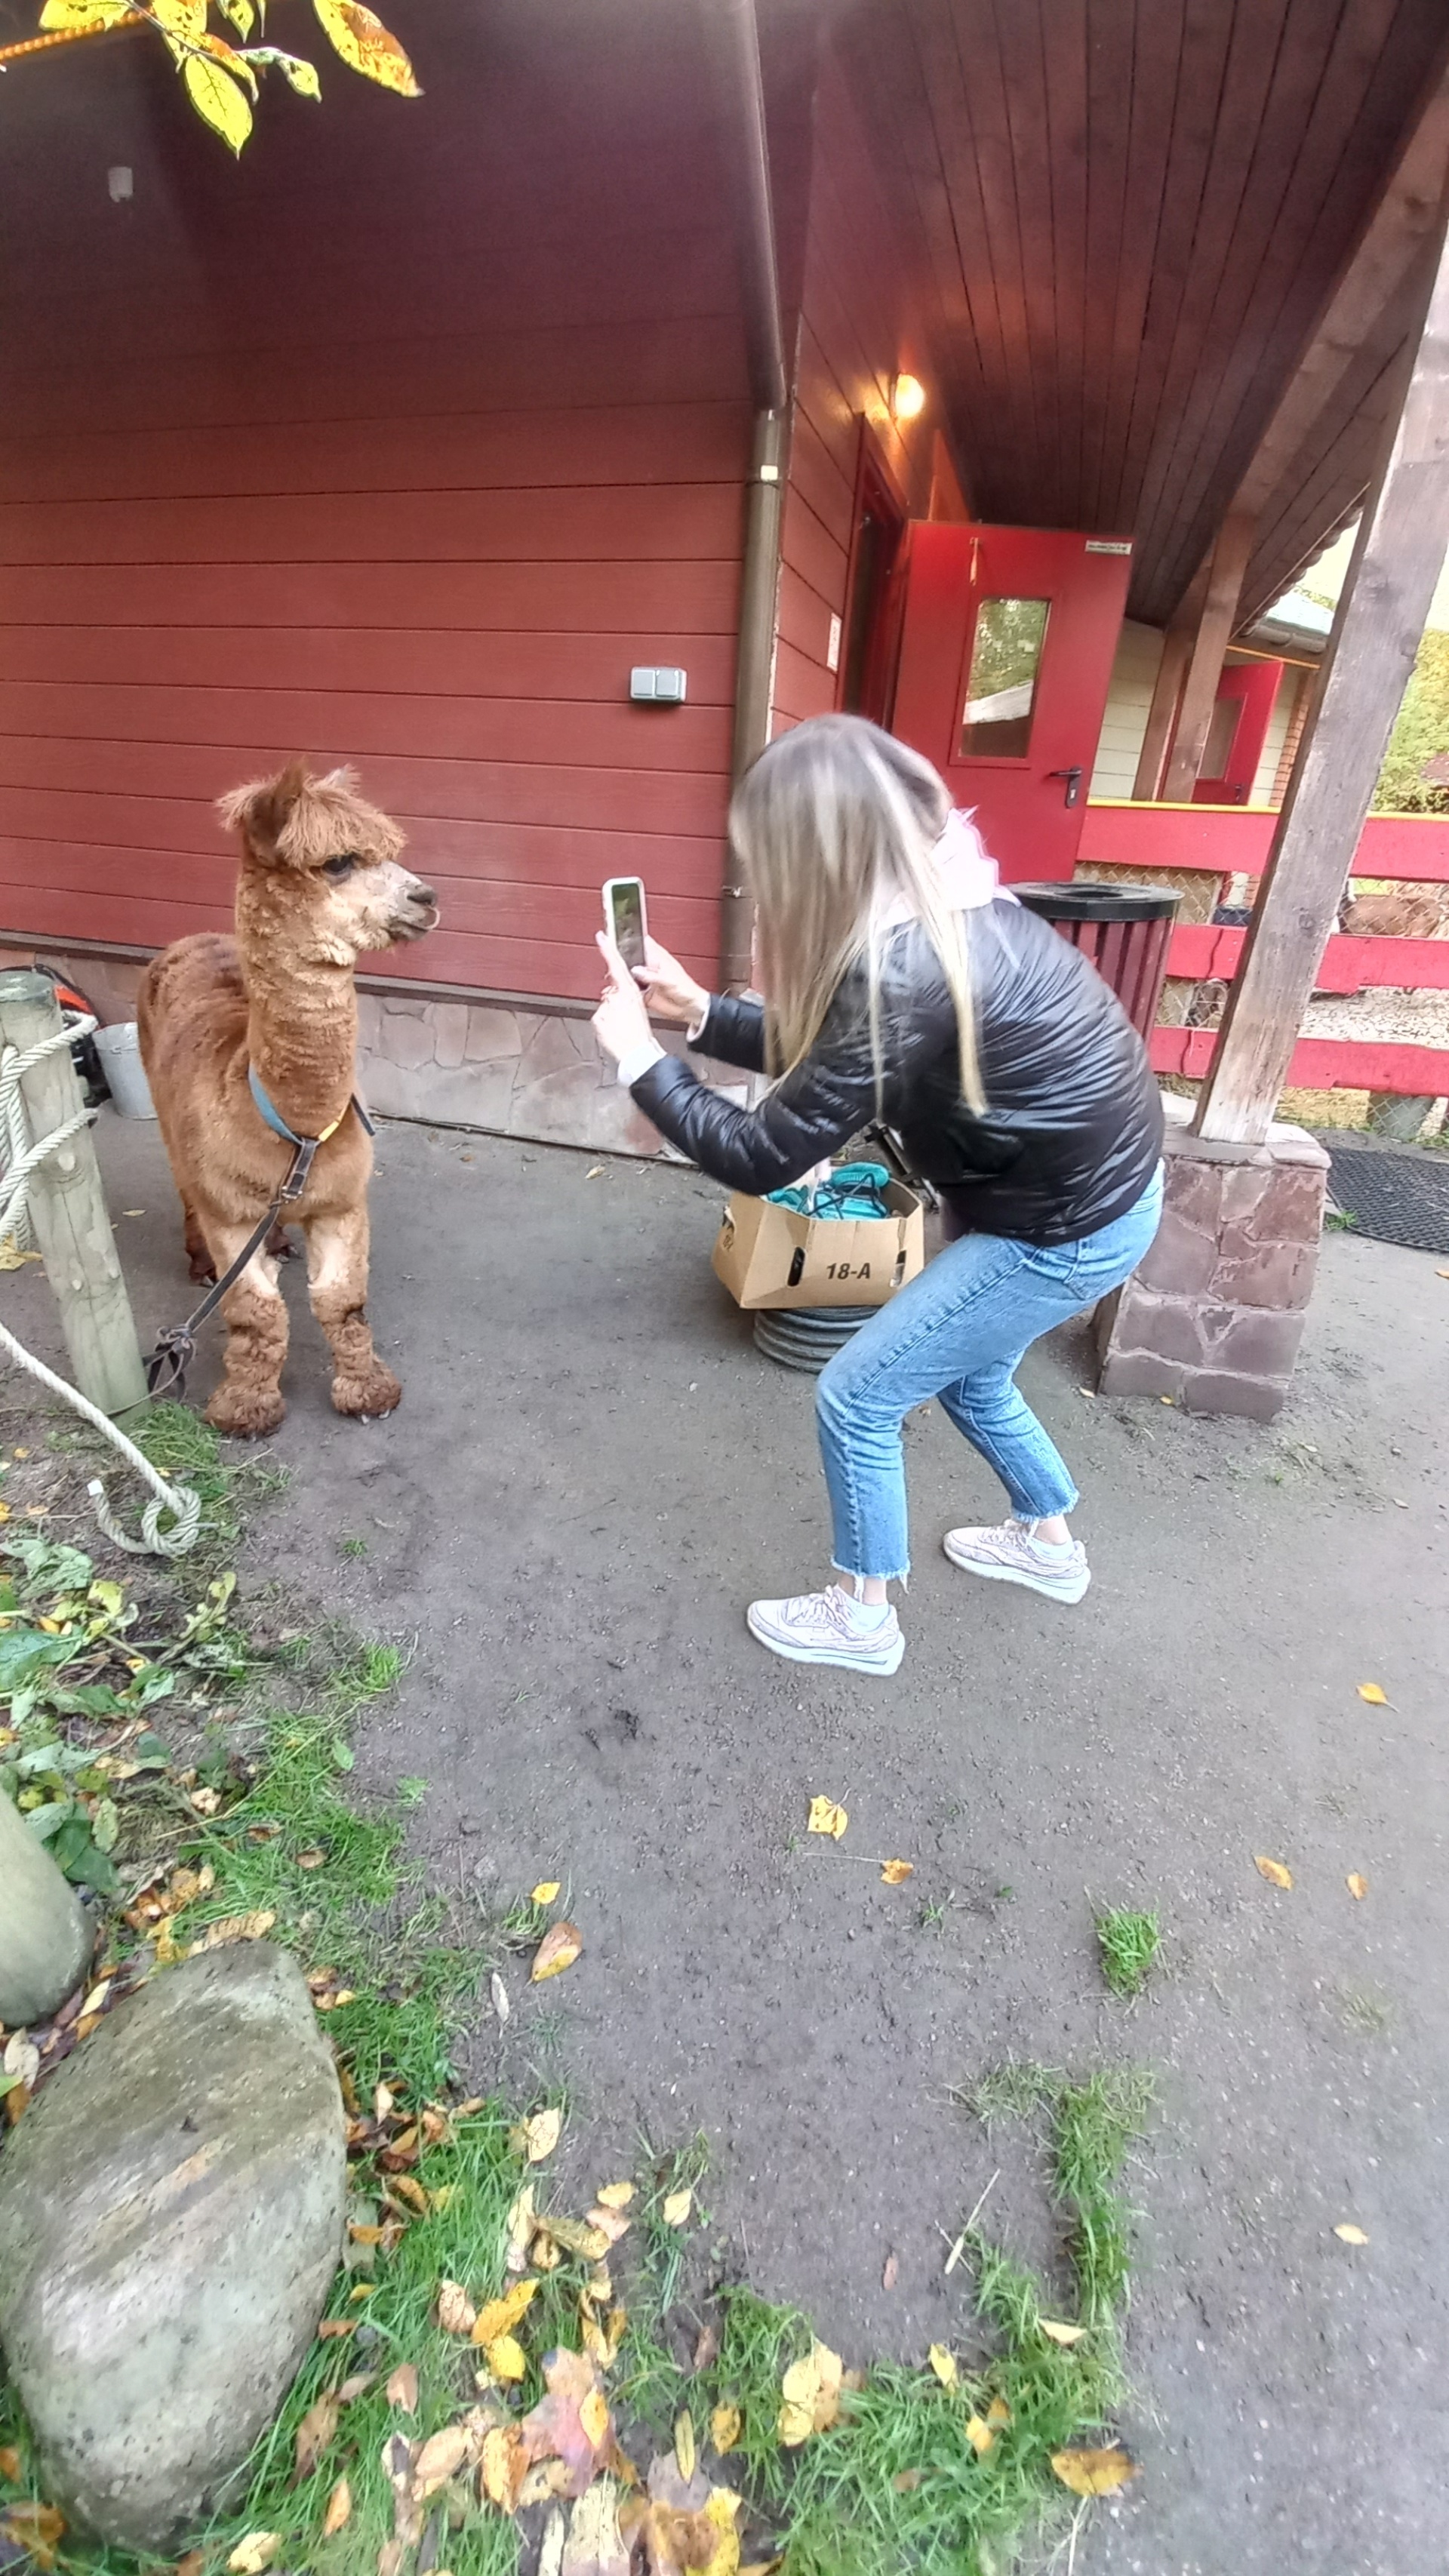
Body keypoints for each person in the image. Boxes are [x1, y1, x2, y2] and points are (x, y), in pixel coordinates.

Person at [590, 713, 1164, 1677]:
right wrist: (697, 1013)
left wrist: (643, 1062)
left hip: (1058, 1228)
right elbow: (848, 1055)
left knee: (859, 1393)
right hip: (1102, 1202)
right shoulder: (950, 903)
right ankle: (1049, 1545)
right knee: (971, 1371)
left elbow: (766, 1152)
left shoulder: (902, 965)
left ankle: (863, 1617)